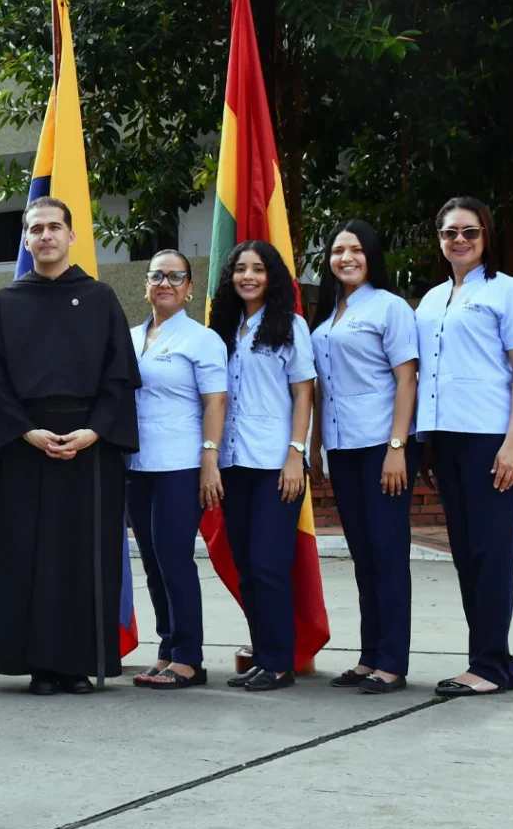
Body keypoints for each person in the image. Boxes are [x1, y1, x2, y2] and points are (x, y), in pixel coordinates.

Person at [0, 196, 140, 695]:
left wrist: (94, 431)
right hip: (26, 443)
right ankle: (38, 667)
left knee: (82, 555)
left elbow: (120, 377)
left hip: (91, 444)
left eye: (54, 227)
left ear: (72, 236)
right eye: (35, 228)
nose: (45, 236)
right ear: (25, 240)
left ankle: (78, 663)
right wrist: (27, 431)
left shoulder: (100, 297)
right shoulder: (6, 303)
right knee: (27, 555)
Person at [416, 196, 513, 698]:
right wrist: (424, 445)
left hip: (494, 438)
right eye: (450, 233)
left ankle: (492, 665)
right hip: (445, 441)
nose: (459, 240)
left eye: (469, 231)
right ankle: (486, 661)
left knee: (492, 553)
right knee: (466, 554)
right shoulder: (429, 300)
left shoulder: (511, 291)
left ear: (486, 235)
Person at [309, 221, 420, 694]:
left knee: (388, 553)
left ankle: (392, 661)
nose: (346, 257)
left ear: (371, 255)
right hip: (342, 447)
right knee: (364, 556)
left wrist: (397, 447)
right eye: (337, 250)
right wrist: (314, 446)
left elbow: (407, 379)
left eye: (355, 249)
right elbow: (318, 389)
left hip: (381, 445)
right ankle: (369, 654)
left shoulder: (389, 307)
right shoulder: (328, 313)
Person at [208, 240, 315, 692]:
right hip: (233, 462)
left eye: (257, 269)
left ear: (271, 276)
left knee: (270, 565)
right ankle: (264, 655)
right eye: (239, 269)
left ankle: (280, 663)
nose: (247, 276)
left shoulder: (290, 326)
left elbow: (304, 393)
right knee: (248, 566)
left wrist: (296, 453)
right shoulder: (224, 330)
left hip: (275, 463)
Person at [127, 250, 227, 690]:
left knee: (173, 557)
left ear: (188, 289)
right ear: (145, 285)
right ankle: (167, 648)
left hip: (182, 465)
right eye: (157, 276)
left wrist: (210, 460)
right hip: (137, 464)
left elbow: (216, 403)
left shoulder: (202, 339)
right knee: (151, 561)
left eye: (175, 277)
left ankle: (189, 657)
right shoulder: (130, 338)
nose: (165, 283)